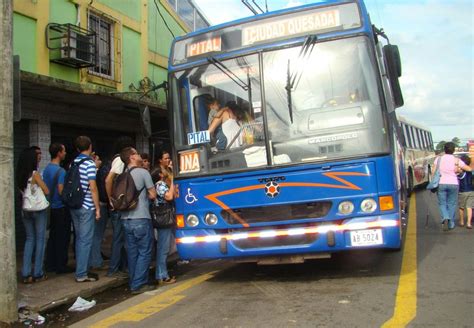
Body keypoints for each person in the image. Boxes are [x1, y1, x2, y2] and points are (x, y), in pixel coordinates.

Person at [119, 147, 157, 294]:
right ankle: (138, 284)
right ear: (132, 157)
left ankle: (134, 281)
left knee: (132, 252)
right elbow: (153, 194)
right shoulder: (143, 172)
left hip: (125, 219)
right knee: (145, 251)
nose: (139, 155)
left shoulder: (122, 175)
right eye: (136, 153)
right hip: (141, 216)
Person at [69, 136, 101, 282]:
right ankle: (82, 273)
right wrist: (97, 208)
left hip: (74, 205)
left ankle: (82, 269)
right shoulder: (89, 164)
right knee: (85, 240)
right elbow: (93, 187)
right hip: (87, 205)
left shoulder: (73, 163)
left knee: (79, 239)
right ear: (90, 147)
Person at [16, 147, 50, 283]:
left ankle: (26, 273)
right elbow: (46, 190)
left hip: (25, 209)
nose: (40, 156)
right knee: (40, 239)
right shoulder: (35, 174)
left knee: (29, 239)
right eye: (38, 155)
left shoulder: (20, 175)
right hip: (38, 210)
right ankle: (38, 272)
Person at [105, 136, 134, 278]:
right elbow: (109, 179)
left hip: (122, 205)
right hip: (119, 206)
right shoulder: (119, 160)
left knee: (122, 238)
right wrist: (111, 199)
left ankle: (123, 266)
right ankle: (113, 269)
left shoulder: (119, 160)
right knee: (118, 238)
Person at [44, 143, 73, 274]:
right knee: (63, 237)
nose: (65, 153)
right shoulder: (61, 171)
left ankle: (50, 264)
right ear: (59, 153)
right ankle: (61, 265)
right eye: (64, 151)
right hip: (61, 207)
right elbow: (61, 190)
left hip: (51, 207)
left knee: (53, 236)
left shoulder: (47, 169)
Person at [432, 142, 472, 231]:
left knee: (442, 203)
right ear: (453, 150)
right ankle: (451, 223)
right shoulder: (456, 160)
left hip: (441, 183)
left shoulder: (438, 159)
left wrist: (432, 181)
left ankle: (445, 216)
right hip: (454, 184)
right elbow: (469, 169)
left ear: (444, 149)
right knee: (452, 203)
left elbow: (433, 171)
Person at [151, 166, 177, 285]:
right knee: (163, 248)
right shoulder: (160, 184)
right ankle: (161, 275)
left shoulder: (162, 184)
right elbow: (169, 196)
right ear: (160, 175)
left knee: (165, 247)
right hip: (163, 219)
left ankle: (162, 273)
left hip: (166, 219)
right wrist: (172, 182)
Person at [89, 153, 109, 270]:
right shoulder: (95, 172)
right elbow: (95, 189)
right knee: (97, 234)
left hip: (90, 206)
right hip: (98, 205)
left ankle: (94, 259)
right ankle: (96, 260)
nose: (100, 161)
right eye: (98, 159)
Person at [458, 154, 473, 229]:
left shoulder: (461, 172)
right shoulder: (471, 171)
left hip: (462, 191)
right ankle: (469, 223)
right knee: (469, 207)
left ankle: (461, 221)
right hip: (471, 191)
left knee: (461, 207)